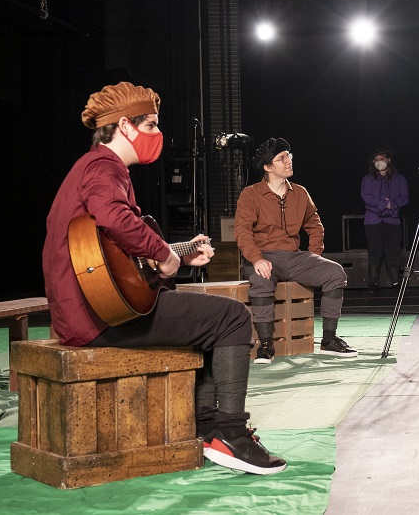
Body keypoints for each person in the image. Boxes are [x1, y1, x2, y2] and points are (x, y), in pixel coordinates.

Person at [41, 81, 286, 475]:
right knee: (233, 318)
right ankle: (230, 434)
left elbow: (113, 257)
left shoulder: (89, 168)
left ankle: (207, 428)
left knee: (206, 321)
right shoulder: (104, 167)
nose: (158, 135)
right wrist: (161, 253)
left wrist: (181, 255)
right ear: (124, 126)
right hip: (100, 318)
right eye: (152, 125)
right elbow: (114, 218)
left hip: (87, 312)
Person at [234, 137, 356, 363]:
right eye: (282, 158)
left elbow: (314, 224)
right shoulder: (250, 195)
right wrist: (257, 259)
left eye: (289, 156)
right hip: (264, 257)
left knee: (335, 273)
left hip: (295, 257)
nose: (288, 161)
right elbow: (242, 232)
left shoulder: (300, 193)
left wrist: (314, 254)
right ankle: (266, 345)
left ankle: (329, 339)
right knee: (261, 281)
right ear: (268, 167)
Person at [360, 148, 409, 292]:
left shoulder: (399, 179)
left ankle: (395, 282)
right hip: (373, 220)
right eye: (376, 160)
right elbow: (366, 197)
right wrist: (383, 204)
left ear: (388, 160)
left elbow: (404, 198)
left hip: (392, 220)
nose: (379, 162)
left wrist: (392, 204)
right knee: (375, 252)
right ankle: (373, 283)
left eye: (381, 159)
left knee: (393, 251)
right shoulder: (368, 179)